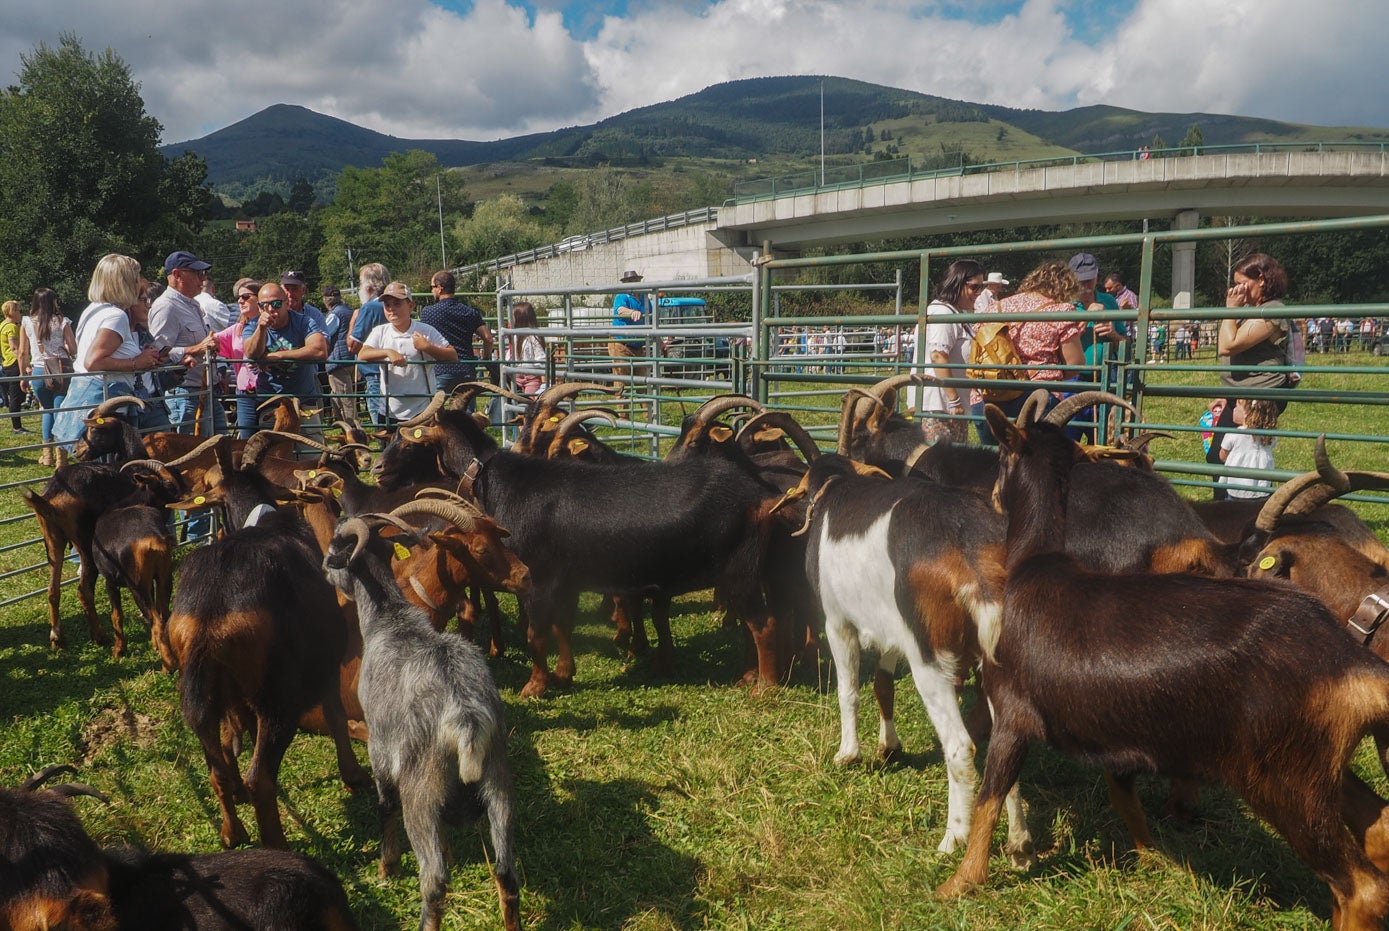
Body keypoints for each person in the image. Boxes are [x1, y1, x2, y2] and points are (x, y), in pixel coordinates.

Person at [1205, 252, 1295, 499]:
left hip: (1260, 395)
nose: (1237, 290)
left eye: (1242, 283)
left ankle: (1242, 510)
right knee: (1223, 456)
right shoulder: (1251, 310)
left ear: (1262, 280)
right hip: (1240, 394)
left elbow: (1228, 345)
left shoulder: (1272, 310)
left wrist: (1230, 310)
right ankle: (1230, 510)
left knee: (1244, 459)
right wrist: (1228, 394)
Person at [53, 254, 166, 450]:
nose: (140, 284)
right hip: (104, 404)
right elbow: (93, 362)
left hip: (89, 398)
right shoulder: (117, 316)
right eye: (136, 278)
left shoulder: (94, 309)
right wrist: (137, 363)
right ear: (124, 282)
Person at [972, 260, 1087, 443]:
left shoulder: (997, 307)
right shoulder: (1060, 311)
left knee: (994, 463)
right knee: (1035, 465)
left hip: (988, 400)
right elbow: (1075, 364)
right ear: (1066, 287)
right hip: (1037, 400)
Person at [357, 281, 457, 423]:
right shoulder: (380, 332)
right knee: (388, 445)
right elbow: (362, 354)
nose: (391, 309)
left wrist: (427, 347)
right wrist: (388, 352)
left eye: (397, 304)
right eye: (387, 305)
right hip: (389, 410)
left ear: (411, 306)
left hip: (423, 411)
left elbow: (453, 355)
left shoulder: (425, 330)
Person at [149, 250, 223, 435]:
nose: (203, 279)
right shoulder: (166, 307)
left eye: (203, 274)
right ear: (177, 275)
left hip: (204, 391)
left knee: (219, 449)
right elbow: (157, 353)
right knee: (191, 455)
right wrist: (198, 348)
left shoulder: (192, 304)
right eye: (198, 273)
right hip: (185, 395)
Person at [243, 281, 328, 438]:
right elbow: (251, 353)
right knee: (274, 458)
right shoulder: (253, 325)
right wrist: (261, 329)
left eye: (275, 304)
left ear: (286, 303)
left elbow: (320, 350)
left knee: (311, 456)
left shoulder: (303, 321)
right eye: (264, 305)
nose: (270, 309)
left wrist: (279, 356)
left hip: (304, 402)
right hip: (270, 404)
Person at [920, 260, 985, 444]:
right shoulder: (942, 312)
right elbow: (938, 355)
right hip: (940, 407)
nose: (978, 293)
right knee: (939, 463)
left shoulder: (953, 313)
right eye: (974, 287)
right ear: (957, 282)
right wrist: (954, 400)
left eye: (981, 287)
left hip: (947, 406)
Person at [18, 287, 76, 464]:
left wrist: (22, 376)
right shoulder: (62, 320)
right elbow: (74, 348)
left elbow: (22, 352)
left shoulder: (26, 322)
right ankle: (61, 459)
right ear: (53, 302)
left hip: (38, 371)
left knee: (47, 411)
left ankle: (47, 455)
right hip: (60, 370)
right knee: (59, 411)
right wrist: (64, 349)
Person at [421, 270, 493, 401]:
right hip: (466, 368)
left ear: (440, 288)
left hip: (441, 369)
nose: (431, 291)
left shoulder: (428, 313)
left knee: (435, 413)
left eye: (431, 287)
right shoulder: (470, 312)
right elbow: (488, 338)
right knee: (466, 415)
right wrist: (486, 358)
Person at [214, 278, 262, 438]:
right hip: (245, 393)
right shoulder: (237, 330)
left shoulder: (274, 325)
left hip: (269, 389)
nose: (240, 301)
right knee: (247, 441)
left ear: (259, 298)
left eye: (246, 297)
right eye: (239, 298)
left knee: (272, 441)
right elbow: (211, 341)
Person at [347, 262, 389, 427]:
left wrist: (353, 321)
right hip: (393, 371)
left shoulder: (369, 308)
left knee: (380, 425)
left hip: (374, 374)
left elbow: (352, 346)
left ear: (368, 287)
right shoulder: (395, 303)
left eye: (360, 283)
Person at [1217, 398, 1279, 499]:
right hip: (1262, 489)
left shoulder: (1234, 434)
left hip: (1236, 489)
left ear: (1247, 412)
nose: (1235, 408)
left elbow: (1222, 456)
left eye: (1238, 405)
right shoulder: (1270, 436)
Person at [610, 269, 651, 397]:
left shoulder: (644, 298)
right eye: (630, 281)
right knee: (623, 383)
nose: (634, 283)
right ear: (626, 283)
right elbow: (620, 310)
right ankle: (623, 416)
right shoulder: (622, 295)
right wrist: (632, 312)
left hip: (638, 347)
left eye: (635, 280)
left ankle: (648, 415)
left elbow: (651, 320)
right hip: (621, 345)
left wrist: (660, 342)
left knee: (643, 382)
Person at [321, 284, 357, 424]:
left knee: (346, 399)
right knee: (336, 395)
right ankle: (342, 425)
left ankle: (353, 430)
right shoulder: (349, 310)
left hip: (338, 361)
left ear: (326, 300)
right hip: (350, 358)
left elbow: (325, 333)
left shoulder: (334, 315)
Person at [506, 301, 546, 396]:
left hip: (531, 378)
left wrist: (544, 383)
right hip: (516, 377)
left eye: (512, 316)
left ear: (521, 318)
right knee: (514, 400)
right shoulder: (514, 337)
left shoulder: (533, 338)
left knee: (529, 403)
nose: (509, 319)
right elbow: (509, 357)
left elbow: (541, 360)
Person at [1, 300, 27, 433]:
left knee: (15, 395)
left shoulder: (2, 325)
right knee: (16, 396)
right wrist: (25, 364)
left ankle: (17, 426)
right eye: (18, 310)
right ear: (12, 312)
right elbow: (15, 348)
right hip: (14, 363)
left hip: (6, 362)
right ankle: (17, 427)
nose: (20, 313)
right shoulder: (11, 327)